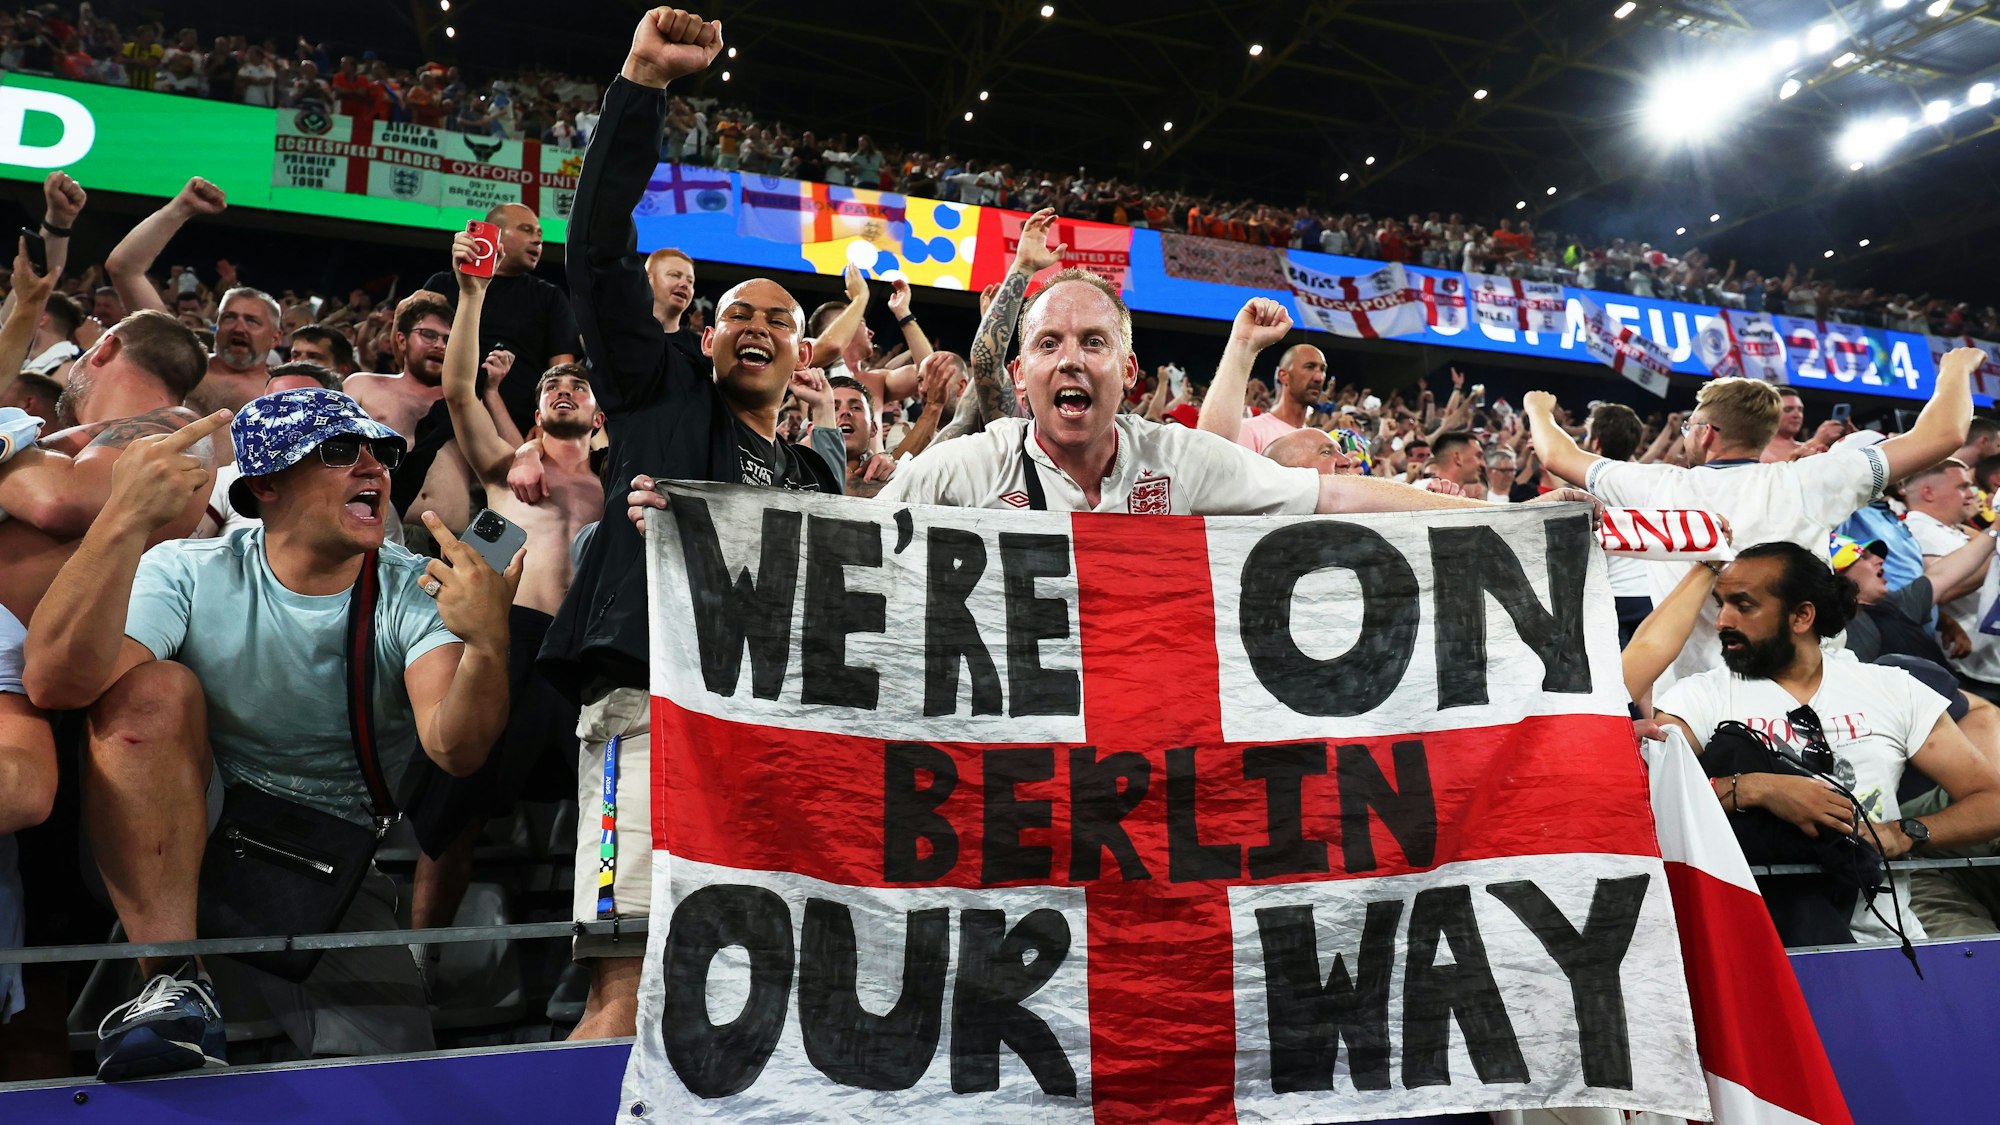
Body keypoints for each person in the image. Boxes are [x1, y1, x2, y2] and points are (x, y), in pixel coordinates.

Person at [22, 391, 520, 1079]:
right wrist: (122, 519)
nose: (372, 467)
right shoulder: (190, 569)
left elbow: (455, 748)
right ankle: (173, 980)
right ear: (265, 483)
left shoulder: (409, 588)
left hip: (323, 862)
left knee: (399, 1087)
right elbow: (55, 684)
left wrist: (489, 645)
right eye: (340, 451)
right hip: (175, 832)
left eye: (382, 452)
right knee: (151, 690)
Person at [541, 6, 840, 1042]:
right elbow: (594, 252)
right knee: (623, 989)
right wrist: (640, 85)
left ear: (804, 358)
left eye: (781, 321)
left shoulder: (810, 475)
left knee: (753, 995)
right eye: (738, 315)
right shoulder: (654, 393)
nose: (757, 328)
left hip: (769, 730)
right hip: (647, 705)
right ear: (706, 337)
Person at [863, 271, 1553, 517]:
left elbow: (1335, 493)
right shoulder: (968, 467)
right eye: (1048, 344)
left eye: (1093, 343)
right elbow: (849, 543)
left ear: (1129, 372)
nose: (1071, 360)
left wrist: (1496, 516)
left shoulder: (1175, 457)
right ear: (1019, 379)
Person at [1527, 350, 1978, 685]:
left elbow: (1556, 453)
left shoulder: (1658, 487)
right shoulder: (1808, 481)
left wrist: (1538, 407)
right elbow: (1944, 433)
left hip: (1694, 701)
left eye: (1689, 427)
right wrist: (1954, 369)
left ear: (1706, 434)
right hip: (1809, 689)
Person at [405, 233, 615, 952]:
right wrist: (471, 294)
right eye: (552, 385)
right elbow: (460, 390)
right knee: (455, 820)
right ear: (532, 412)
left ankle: (591, 969)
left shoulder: (620, 486)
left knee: (605, 818)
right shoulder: (502, 465)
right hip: (510, 636)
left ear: (600, 414)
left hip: (586, 654)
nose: (565, 388)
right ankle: (420, 961)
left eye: (579, 386)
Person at [1652, 542, 2000, 944]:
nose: (1721, 621)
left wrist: (1904, 832)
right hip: (1756, 943)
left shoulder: (1891, 689)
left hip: (1884, 941)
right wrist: (1756, 788)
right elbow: (1650, 796)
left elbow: (1990, 800)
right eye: (1721, 604)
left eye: (1743, 606)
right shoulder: (1697, 696)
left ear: (1802, 616)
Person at [0, 312, 211, 624]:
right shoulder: (103, 437)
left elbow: (59, 502)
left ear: (105, 348)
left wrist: (8, 433)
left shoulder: (174, 427)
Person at [103, 178, 280, 412]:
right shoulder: (182, 364)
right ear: (216, 325)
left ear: (275, 338)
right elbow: (124, 268)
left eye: (252, 321)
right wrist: (181, 207)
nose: (239, 328)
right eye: (229, 317)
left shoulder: (282, 395)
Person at [416, 204, 580, 434]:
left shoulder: (549, 297)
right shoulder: (441, 285)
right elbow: (406, 348)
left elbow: (562, 369)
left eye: (540, 234)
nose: (536, 240)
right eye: (526, 230)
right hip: (440, 417)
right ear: (495, 232)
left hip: (516, 427)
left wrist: (547, 421)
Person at [1211, 343, 1327, 454]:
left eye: (1322, 369)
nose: (1319, 377)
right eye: (1309, 367)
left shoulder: (1318, 441)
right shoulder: (1251, 430)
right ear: (1283, 376)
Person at [1760, 388, 1807, 462]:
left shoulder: (1810, 451)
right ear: (1770, 414)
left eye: (1800, 410)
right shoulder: (1756, 453)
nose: (1797, 415)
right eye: (1788, 409)